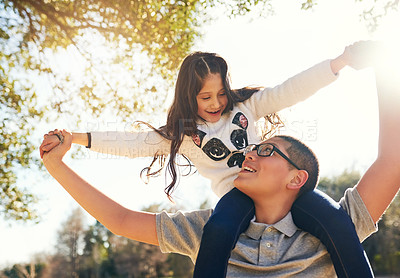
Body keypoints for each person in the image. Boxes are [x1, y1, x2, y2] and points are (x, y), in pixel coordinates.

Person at [40, 42, 374, 277]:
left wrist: (339, 62)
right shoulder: (183, 134)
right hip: (238, 200)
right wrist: (77, 139)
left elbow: (291, 88)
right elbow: (131, 143)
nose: (215, 103)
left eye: (220, 93)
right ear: (190, 97)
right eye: (205, 97)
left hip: (279, 190)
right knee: (218, 230)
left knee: (335, 220)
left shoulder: (247, 108)